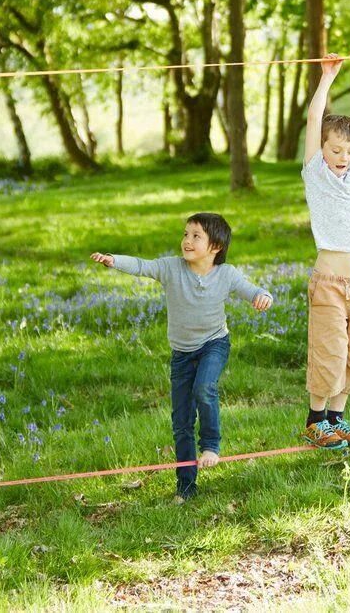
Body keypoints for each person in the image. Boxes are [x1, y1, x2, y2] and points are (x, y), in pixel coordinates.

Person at [91, 212, 272, 502]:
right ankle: (186, 486)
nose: (187, 240)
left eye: (196, 236)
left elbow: (252, 290)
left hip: (214, 343)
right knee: (182, 422)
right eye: (186, 234)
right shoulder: (172, 268)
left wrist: (263, 296)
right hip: (182, 354)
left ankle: (211, 445)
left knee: (205, 388)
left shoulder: (226, 274)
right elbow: (142, 266)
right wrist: (114, 260)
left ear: (216, 247)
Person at [299, 48, 350, 450]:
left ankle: (338, 419)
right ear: (322, 150)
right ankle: (316, 421)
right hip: (329, 282)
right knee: (328, 352)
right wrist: (328, 75)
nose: (343, 158)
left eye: (349, 151)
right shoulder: (316, 173)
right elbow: (315, 119)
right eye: (336, 151)